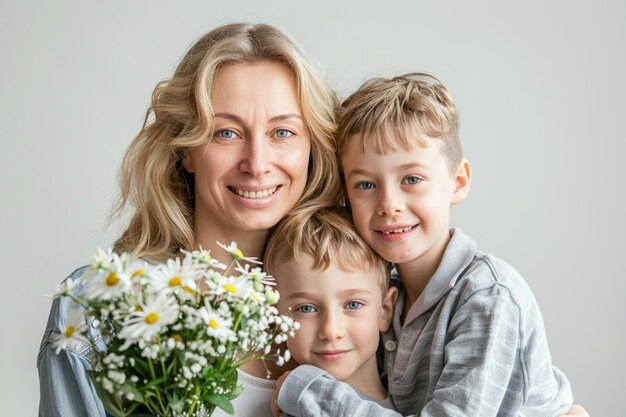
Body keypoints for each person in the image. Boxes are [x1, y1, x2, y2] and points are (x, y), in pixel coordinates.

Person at [37, 22, 342, 417]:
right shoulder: (96, 309)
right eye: (226, 133)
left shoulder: (364, 300)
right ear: (186, 149)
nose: (257, 164)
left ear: (311, 149)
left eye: (282, 132)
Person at [274, 73, 586, 417]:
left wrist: (309, 392)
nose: (388, 204)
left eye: (412, 179)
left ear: (458, 182)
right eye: (365, 184)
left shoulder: (487, 296)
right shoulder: (381, 299)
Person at [263, 206, 398, 413]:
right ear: (277, 315)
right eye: (306, 308)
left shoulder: (420, 395)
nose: (331, 331)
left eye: (353, 304)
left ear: (385, 310)